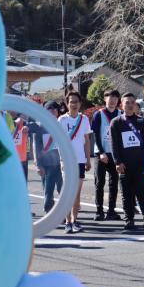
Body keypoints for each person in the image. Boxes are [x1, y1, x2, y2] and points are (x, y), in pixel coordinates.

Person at [110, 93, 144, 231]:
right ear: (122, 105)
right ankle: (129, 220)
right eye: (127, 102)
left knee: (143, 194)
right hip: (124, 165)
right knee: (126, 195)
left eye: (132, 102)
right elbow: (114, 145)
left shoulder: (141, 122)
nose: (130, 104)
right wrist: (117, 162)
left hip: (139, 164)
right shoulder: (116, 122)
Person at [58, 91, 92, 233]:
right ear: (67, 104)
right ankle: (67, 222)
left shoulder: (84, 119)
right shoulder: (61, 120)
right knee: (67, 193)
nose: (74, 104)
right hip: (67, 160)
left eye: (76, 101)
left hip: (80, 160)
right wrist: (62, 159)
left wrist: (88, 159)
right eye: (71, 101)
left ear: (80, 103)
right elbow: (59, 141)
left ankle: (74, 220)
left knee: (77, 193)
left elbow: (86, 141)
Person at [91, 90, 122, 221]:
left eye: (115, 97)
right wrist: (101, 152)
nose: (112, 100)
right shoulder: (98, 114)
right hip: (101, 154)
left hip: (115, 155)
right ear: (105, 99)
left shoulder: (121, 114)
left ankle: (111, 211)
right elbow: (96, 135)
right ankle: (99, 211)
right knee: (99, 182)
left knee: (114, 183)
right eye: (110, 97)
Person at [33, 101, 63, 214]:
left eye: (55, 109)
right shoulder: (40, 126)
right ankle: (49, 212)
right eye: (50, 110)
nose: (53, 112)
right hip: (46, 164)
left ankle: (64, 213)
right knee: (48, 191)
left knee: (63, 189)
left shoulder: (61, 124)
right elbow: (36, 147)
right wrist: (38, 165)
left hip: (60, 163)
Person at [12, 113, 29, 180]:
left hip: (23, 157)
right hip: (12, 157)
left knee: (23, 180)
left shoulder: (25, 123)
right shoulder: (8, 120)